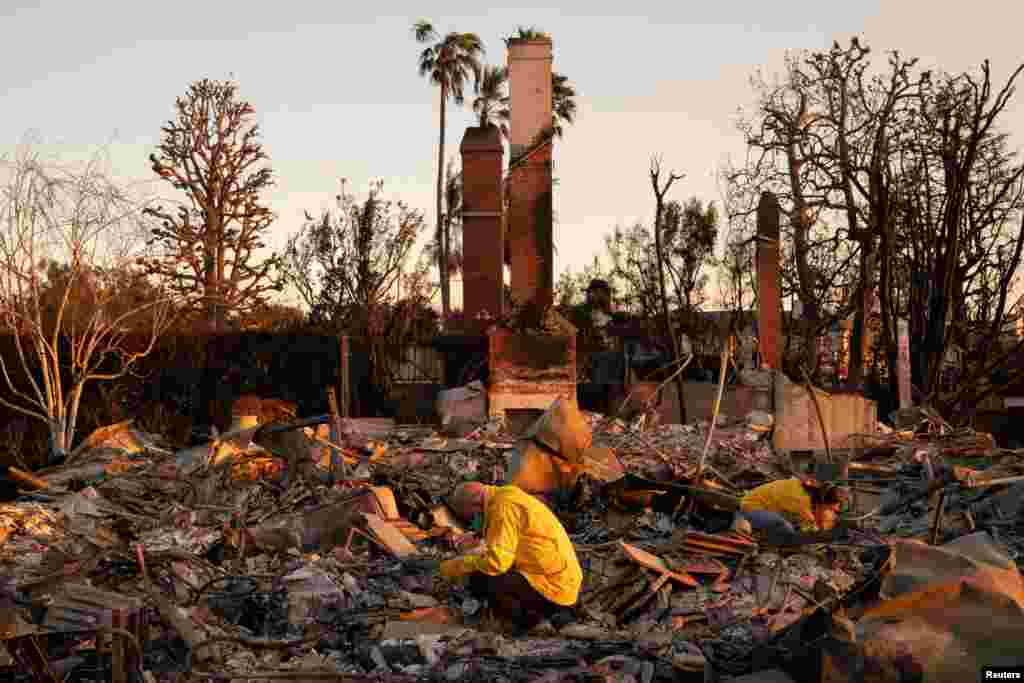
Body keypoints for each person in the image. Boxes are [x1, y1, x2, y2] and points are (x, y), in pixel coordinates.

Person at [438, 482, 582, 634]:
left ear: (477, 503)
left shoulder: (503, 508)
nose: (473, 520)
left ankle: (528, 624)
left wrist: (459, 564)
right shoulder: (504, 496)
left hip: (556, 587)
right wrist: (478, 535)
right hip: (556, 577)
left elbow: (497, 563)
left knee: (491, 579)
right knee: (481, 571)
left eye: (471, 516)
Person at [735, 477, 847, 540]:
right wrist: (819, 531)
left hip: (759, 504)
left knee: (789, 524)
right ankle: (766, 542)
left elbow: (814, 514)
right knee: (787, 529)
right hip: (750, 508)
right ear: (824, 501)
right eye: (834, 505)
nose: (836, 509)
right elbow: (809, 526)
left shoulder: (812, 489)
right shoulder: (801, 501)